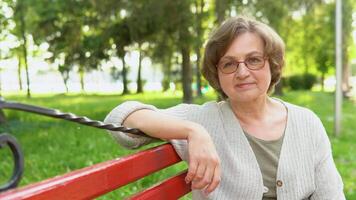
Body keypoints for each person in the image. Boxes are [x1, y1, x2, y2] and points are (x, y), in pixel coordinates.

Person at [104, 16, 345, 200]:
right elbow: (121, 118)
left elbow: (331, 195)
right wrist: (193, 132)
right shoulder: (203, 119)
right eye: (229, 64)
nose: (242, 72)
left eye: (253, 59)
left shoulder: (307, 122)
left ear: (272, 64)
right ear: (217, 74)